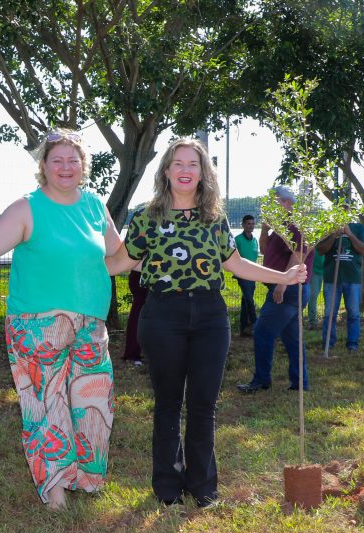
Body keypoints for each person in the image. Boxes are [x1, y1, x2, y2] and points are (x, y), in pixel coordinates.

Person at [106, 139, 307, 508]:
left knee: (203, 404)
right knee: (167, 402)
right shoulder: (146, 217)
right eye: (178, 163)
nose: (185, 170)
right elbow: (117, 263)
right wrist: (67, 263)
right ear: (166, 170)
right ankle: (167, 486)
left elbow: (235, 264)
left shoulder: (214, 217)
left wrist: (283, 277)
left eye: (193, 164)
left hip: (211, 318)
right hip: (162, 315)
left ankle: (203, 486)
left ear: (202, 173)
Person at [0, 129, 122, 511]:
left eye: (72, 160)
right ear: (43, 166)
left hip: (90, 324)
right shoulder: (28, 207)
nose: (65, 167)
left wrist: (159, 249)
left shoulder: (94, 206)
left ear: (83, 166)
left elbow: (119, 258)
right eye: (56, 160)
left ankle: (88, 480)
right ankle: (55, 488)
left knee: (95, 401)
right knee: (45, 404)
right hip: (36, 327)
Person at [237, 185, 315, 394]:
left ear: (288, 203)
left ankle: (261, 380)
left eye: (276, 201)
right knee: (292, 338)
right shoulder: (280, 227)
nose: (270, 205)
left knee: (262, 331)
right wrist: (264, 229)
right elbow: (264, 249)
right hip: (288, 288)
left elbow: (299, 255)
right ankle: (300, 382)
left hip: (289, 288)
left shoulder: (297, 225)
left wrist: (281, 284)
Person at [317, 221, 364, 352]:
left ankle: (352, 344)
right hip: (331, 279)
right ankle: (328, 342)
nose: (344, 210)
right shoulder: (328, 226)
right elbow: (321, 249)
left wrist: (350, 234)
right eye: (341, 207)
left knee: (354, 313)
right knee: (329, 314)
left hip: (352, 279)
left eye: (347, 207)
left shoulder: (358, 228)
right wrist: (334, 235)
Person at [234, 214, 260, 336]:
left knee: (245, 300)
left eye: (252, 224)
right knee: (250, 300)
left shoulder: (255, 240)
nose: (251, 226)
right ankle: (255, 324)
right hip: (242, 274)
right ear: (243, 225)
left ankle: (244, 328)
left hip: (253, 274)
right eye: (248, 224)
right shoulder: (237, 239)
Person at [307, 250, 324, 329]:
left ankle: (328, 319)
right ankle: (312, 322)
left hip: (325, 269)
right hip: (313, 270)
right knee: (312, 296)